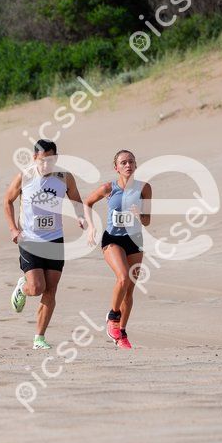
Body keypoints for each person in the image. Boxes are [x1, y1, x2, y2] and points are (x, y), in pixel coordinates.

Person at [3, 139, 86, 349]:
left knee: (51, 289)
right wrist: (13, 229)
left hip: (55, 240)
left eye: (50, 160)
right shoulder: (25, 177)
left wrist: (80, 216)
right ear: (34, 158)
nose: (46, 164)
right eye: (42, 160)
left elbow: (76, 200)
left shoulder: (64, 177)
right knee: (37, 287)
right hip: (29, 239)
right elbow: (7, 201)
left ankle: (39, 338)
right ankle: (23, 288)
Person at [83, 149, 151, 350]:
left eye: (131, 162)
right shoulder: (108, 188)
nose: (128, 165)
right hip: (112, 239)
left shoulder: (144, 188)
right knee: (123, 277)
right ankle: (113, 316)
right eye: (123, 163)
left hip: (134, 240)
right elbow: (87, 203)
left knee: (129, 291)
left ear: (136, 165)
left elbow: (147, 221)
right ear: (116, 168)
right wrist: (91, 227)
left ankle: (121, 333)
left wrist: (140, 215)